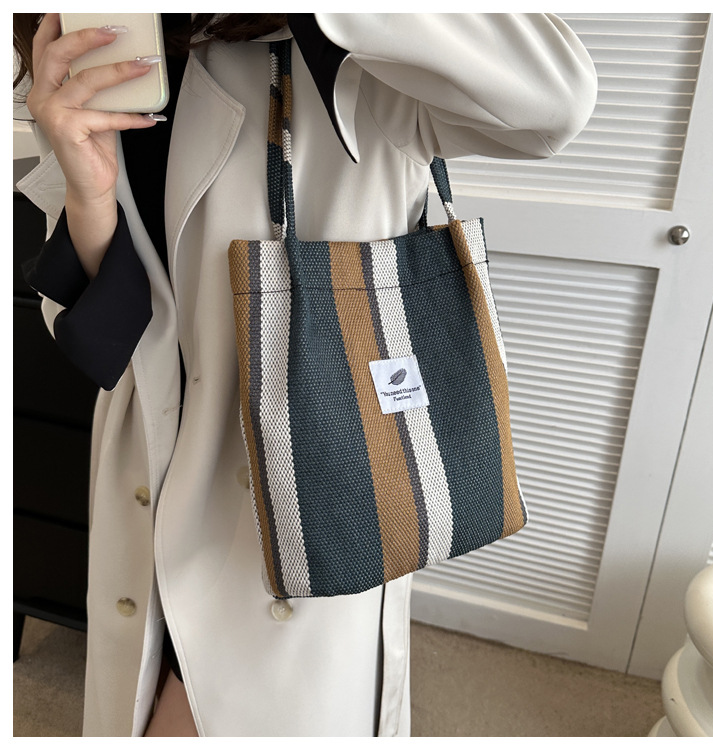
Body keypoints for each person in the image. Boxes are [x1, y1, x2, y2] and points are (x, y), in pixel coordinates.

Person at [13, 13, 598, 737]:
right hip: (150, 473)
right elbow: (106, 344)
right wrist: (90, 196)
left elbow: (556, 102)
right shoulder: (101, 47)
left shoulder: (354, 52)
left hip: (317, 489)